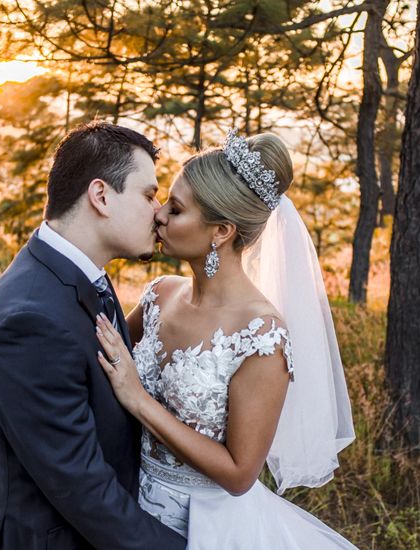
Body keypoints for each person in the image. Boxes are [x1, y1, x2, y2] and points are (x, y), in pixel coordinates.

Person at [95, 128, 357, 549]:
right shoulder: (159, 295)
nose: (158, 215)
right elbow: (103, 359)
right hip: (125, 500)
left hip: (206, 525)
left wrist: (138, 400)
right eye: (164, 201)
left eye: (175, 210)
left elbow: (239, 473)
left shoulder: (261, 335)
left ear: (221, 231)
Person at [0, 121, 187, 549]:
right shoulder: (29, 322)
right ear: (101, 196)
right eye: (148, 195)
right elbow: (84, 491)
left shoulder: (79, 276)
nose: (159, 212)